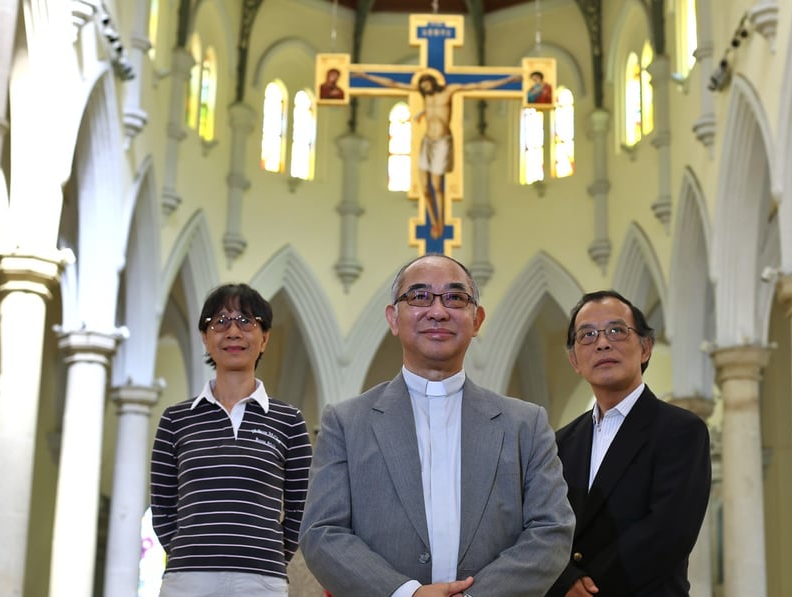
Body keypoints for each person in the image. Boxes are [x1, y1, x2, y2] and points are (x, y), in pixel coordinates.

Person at [301, 254, 575, 597]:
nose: (438, 311)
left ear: (477, 320)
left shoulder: (525, 424)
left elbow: (552, 529)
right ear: (393, 317)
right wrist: (405, 593)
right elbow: (322, 532)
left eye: (455, 298)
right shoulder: (346, 422)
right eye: (419, 297)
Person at [150, 283, 313, 597]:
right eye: (220, 322)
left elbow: (300, 509)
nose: (233, 332)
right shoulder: (175, 419)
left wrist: (267, 556)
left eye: (246, 321)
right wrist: (194, 554)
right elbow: (163, 508)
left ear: (264, 338)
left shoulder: (289, 420)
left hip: (261, 579)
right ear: (205, 338)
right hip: (188, 578)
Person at [547, 290, 711, 597]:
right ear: (574, 360)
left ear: (645, 347)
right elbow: (545, 525)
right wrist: (565, 581)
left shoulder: (681, 431)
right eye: (588, 335)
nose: (603, 342)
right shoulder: (560, 443)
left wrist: (590, 589)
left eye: (616, 331)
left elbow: (669, 532)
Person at [355, 71, 520, 239]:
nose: (424, 88)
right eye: (422, 86)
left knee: (436, 186)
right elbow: (393, 84)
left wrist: (508, 79)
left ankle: (440, 222)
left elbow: (478, 86)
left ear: (432, 82)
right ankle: (433, 222)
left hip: (442, 142)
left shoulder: (449, 91)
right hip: (427, 141)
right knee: (424, 187)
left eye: (426, 85)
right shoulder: (425, 95)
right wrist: (366, 77)